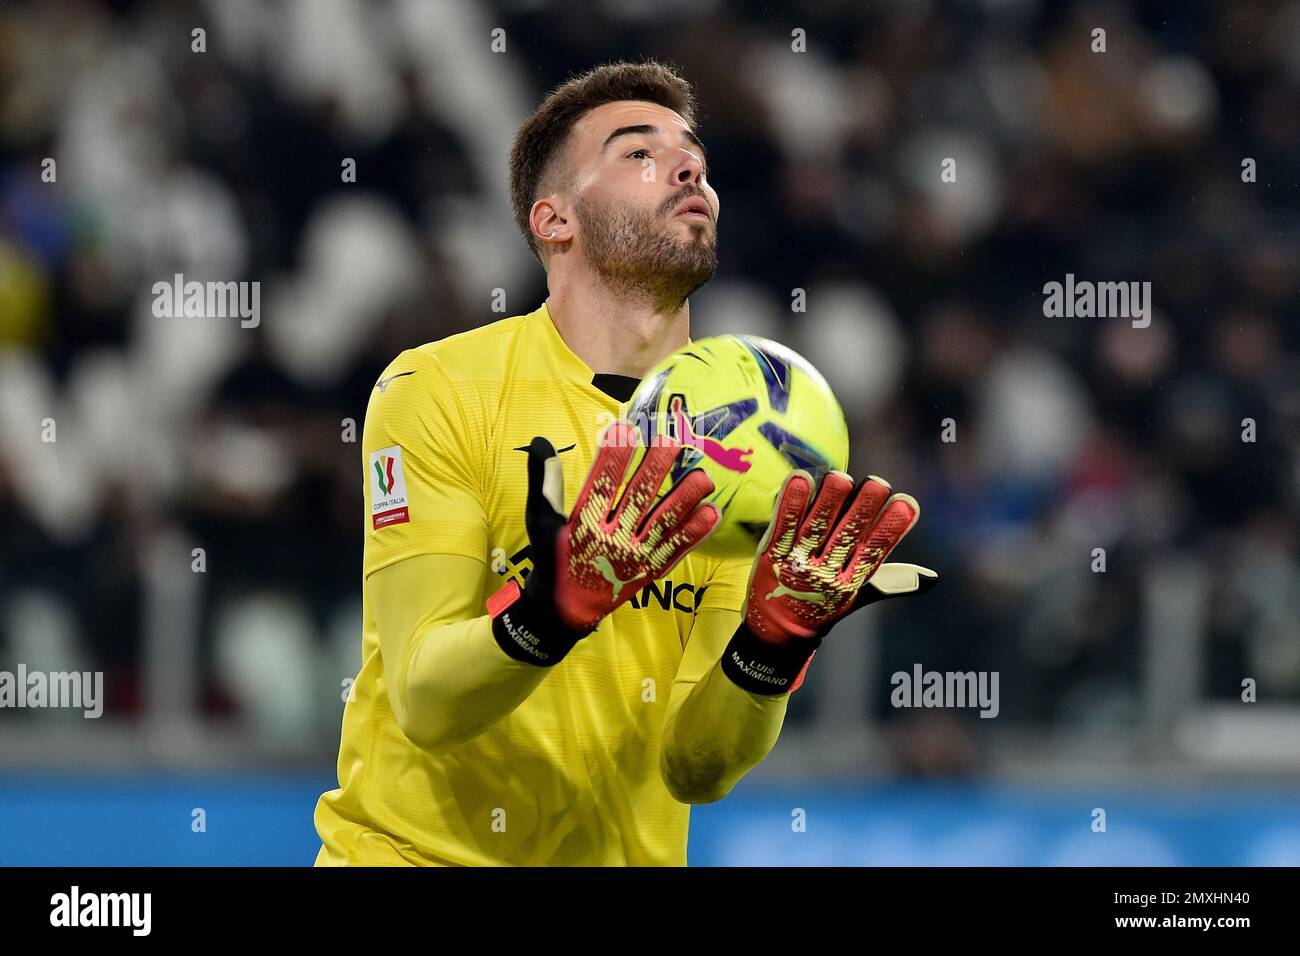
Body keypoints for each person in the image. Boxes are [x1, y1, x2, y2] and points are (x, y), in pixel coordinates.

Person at [314, 59, 935, 866]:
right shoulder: (439, 388)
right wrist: (554, 609)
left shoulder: (743, 452)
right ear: (554, 221)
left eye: (694, 158)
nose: (688, 169)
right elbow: (426, 700)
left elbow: (696, 767)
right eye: (638, 153)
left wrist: (771, 645)